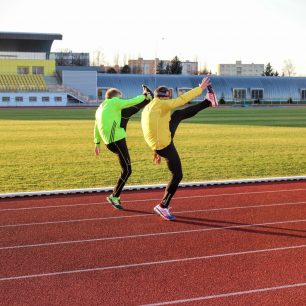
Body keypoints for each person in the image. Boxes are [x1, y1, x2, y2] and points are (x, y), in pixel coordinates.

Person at [141, 77, 218, 220]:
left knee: (177, 115)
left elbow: (152, 128)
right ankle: (163, 206)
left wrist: (154, 150)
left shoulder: (150, 107)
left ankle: (208, 101)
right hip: (163, 145)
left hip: (158, 143)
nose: (171, 101)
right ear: (165, 97)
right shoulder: (162, 105)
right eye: (169, 97)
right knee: (177, 175)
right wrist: (200, 88)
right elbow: (182, 99)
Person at [94, 86, 153, 209]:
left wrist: (97, 143)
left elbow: (96, 127)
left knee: (126, 113)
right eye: (119, 98)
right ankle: (114, 196)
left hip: (109, 142)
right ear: (114, 97)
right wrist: (143, 96)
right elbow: (130, 102)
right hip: (116, 140)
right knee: (127, 170)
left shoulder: (100, 108)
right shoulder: (114, 102)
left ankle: (148, 99)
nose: (121, 101)